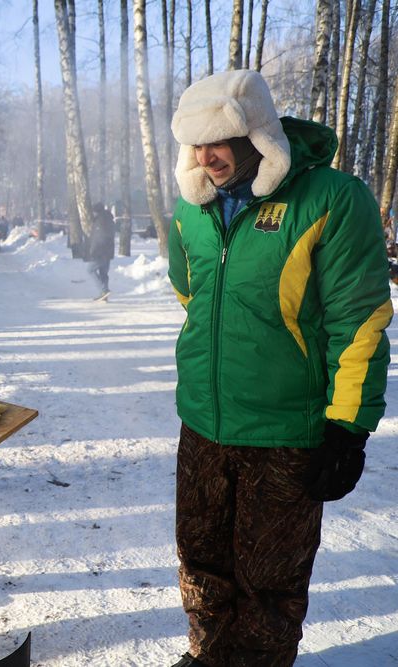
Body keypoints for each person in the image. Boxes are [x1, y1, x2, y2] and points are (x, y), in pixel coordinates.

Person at [166, 69, 392, 667]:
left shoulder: (332, 199)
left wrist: (347, 426)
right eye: (195, 143)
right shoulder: (192, 210)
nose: (206, 157)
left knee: (269, 580)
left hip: (284, 434)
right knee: (201, 561)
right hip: (204, 425)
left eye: (218, 140)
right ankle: (209, 654)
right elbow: (189, 289)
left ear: (257, 135)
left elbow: (359, 320)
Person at [84, 203, 116, 301]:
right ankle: (104, 295)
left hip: (100, 251)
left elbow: (97, 238)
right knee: (103, 273)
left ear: (96, 212)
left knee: (90, 269)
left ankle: (103, 290)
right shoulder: (109, 220)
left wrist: (92, 251)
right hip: (109, 251)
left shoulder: (99, 221)